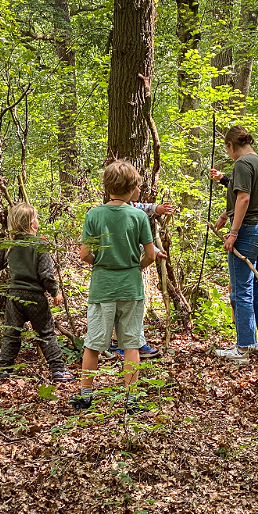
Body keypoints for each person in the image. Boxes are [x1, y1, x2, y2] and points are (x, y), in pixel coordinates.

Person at [73, 161, 155, 412]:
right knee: (131, 344)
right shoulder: (139, 216)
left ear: (107, 187)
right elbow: (150, 255)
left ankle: (85, 395)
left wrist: (103, 262)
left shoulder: (94, 215)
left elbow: (84, 254)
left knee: (94, 343)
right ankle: (131, 400)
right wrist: (134, 266)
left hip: (102, 287)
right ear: (132, 189)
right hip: (130, 286)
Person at [209, 125, 258, 364]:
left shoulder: (242, 163)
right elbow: (245, 196)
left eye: (227, 149)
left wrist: (233, 231)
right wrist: (225, 213)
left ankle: (243, 347)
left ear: (231, 145)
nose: (228, 154)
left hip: (248, 232)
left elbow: (244, 198)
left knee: (242, 289)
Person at [0, 203, 74, 383]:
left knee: (11, 335)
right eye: (36, 218)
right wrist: (55, 292)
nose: (38, 220)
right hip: (35, 298)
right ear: (31, 223)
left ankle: (4, 372)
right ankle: (58, 371)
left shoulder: (10, 245)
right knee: (46, 333)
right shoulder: (40, 244)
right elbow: (46, 274)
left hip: (14, 297)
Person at [106, 199, 175, 360]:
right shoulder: (115, 213)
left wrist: (157, 209)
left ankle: (135, 343)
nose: (138, 190)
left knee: (132, 306)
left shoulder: (131, 208)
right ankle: (119, 344)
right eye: (135, 186)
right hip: (119, 269)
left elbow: (144, 208)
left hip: (128, 270)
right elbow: (134, 240)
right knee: (122, 305)